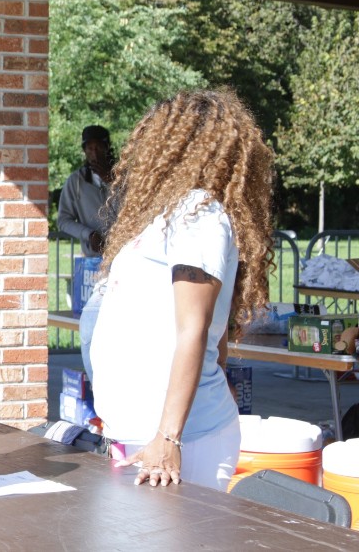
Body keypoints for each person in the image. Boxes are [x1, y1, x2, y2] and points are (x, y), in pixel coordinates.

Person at [89, 88, 273, 491]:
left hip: (180, 443)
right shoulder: (166, 218)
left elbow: (194, 329)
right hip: (140, 436)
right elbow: (215, 339)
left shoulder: (199, 213)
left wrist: (168, 437)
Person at [57, 124, 115, 258]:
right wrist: (88, 234)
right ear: (85, 151)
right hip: (93, 258)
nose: (94, 154)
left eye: (99, 147)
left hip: (124, 255)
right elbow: (63, 221)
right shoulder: (76, 181)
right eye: (90, 148)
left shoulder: (124, 177)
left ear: (107, 148)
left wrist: (112, 181)